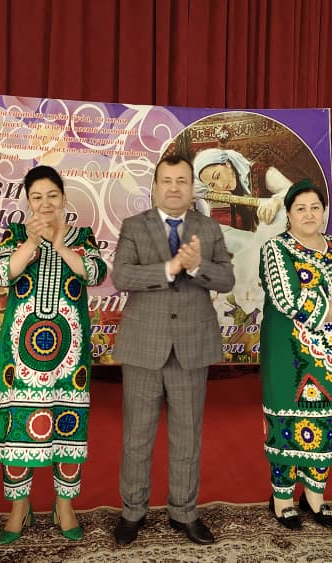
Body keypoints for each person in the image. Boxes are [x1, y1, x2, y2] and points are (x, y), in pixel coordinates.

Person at [111, 155, 235, 546]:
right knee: (136, 436)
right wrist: (168, 269)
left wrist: (197, 267)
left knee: (187, 436)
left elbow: (227, 279)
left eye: (182, 180)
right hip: (143, 346)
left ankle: (184, 512)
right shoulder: (134, 226)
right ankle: (132, 511)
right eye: (167, 180)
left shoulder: (208, 228)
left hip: (191, 347)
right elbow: (121, 276)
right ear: (155, 186)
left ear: (192, 187)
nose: (174, 188)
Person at [0, 165, 106, 544]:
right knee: (18, 425)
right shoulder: (15, 234)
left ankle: (64, 504)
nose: (45, 204)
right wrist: (31, 243)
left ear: (64, 198)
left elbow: (93, 273)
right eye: (36, 197)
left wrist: (58, 244)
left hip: (70, 357)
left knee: (68, 423)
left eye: (52, 196)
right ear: (27, 202)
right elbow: (2, 273)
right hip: (20, 355)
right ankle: (20, 507)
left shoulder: (82, 236)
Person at [258, 179, 332, 530]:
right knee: (290, 422)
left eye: (315, 208)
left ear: (325, 212)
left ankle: (314, 496)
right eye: (300, 208)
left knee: (324, 423)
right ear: (288, 214)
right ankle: (282, 498)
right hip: (291, 355)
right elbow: (288, 299)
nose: (309, 214)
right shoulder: (276, 248)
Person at [192, 148, 293, 315]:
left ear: (227, 164)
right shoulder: (225, 188)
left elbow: (299, 193)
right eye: (212, 185)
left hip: (282, 232)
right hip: (256, 239)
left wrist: (277, 201)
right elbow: (192, 189)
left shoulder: (263, 173)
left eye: (217, 176)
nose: (219, 186)